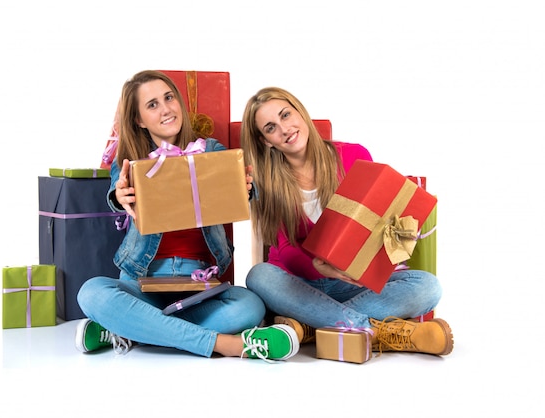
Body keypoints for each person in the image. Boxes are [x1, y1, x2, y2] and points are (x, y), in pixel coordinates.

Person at [75, 71, 299, 361]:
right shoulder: (130, 160)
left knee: (250, 307)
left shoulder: (212, 149)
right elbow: (118, 192)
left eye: (169, 98)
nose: (166, 108)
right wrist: (120, 196)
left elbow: (244, 185)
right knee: (91, 293)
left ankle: (129, 329)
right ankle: (226, 344)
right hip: (140, 282)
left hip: (198, 288)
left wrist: (244, 187)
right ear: (139, 120)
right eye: (152, 105)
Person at [240, 86, 453, 356]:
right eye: (270, 128)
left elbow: (375, 220)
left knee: (427, 287)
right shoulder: (267, 180)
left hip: (352, 284)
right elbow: (283, 249)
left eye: (286, 115)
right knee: (259, 276)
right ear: (266, 141)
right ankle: (379, 331)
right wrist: (321, 265)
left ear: (301, 113)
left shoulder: (353, 155)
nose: (284, 128)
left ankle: (311, 327)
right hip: (300, 286)